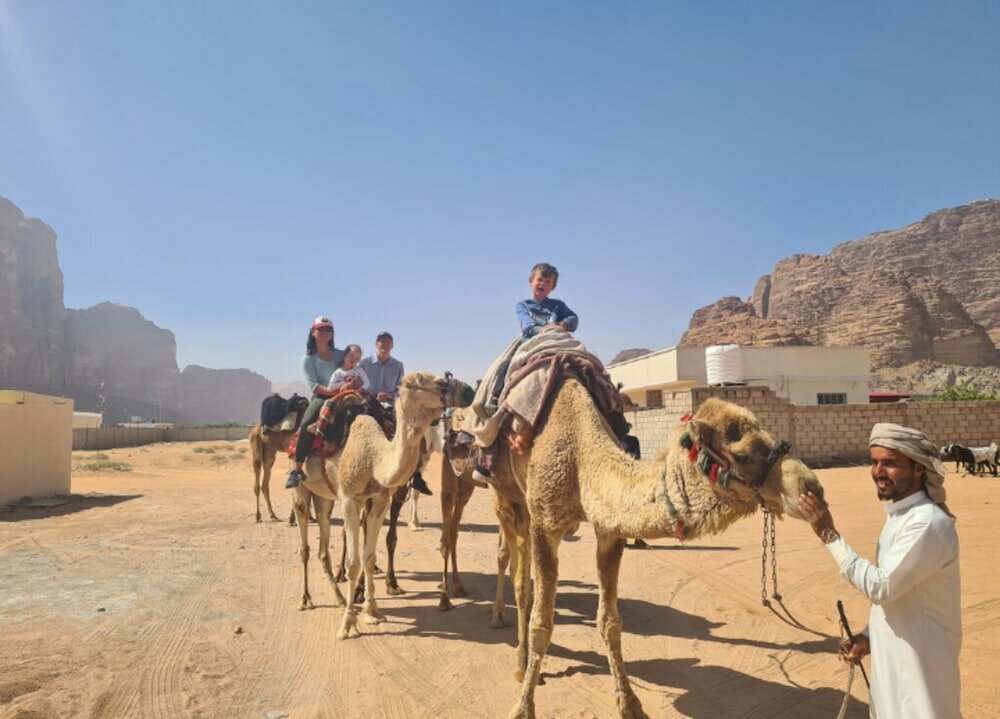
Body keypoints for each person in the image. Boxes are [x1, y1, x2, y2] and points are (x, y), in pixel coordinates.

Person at [797, 423, 961, 719]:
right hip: (894, 660)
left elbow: (881, 587)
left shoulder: (925, 523)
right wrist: (869, 637)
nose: (878, 471)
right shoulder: (901, 516)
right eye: (874, 462)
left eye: (890, 463)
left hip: (920, 667)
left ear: (919, 468)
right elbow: (900, 594)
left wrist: (829, 535)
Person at [475, 262, 579, 481]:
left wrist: (563, 325)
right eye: (540, 279)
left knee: (586, 368)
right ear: (531, 281)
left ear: (552, 287)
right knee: (501, 370)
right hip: (528, 345)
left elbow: (574, 319)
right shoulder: (523, 305)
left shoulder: (558, 305)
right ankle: (493, 413)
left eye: (548, 282)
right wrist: (543, 329)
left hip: (555, 343)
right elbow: (526, 326)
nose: (542, 284)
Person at [359, 331, 433, 496]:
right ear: (376, 344)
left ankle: (416, 474)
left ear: (392, 345)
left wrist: (389, 395)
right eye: (381, 342)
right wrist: (370, 395)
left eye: (387, 342)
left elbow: (401, 389)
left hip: (391, 405)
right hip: (368, 403)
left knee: (414, 432)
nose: (384, 345)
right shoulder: (365, 363)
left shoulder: (398, 366)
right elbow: (359, 384)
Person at [285, 316, 346, 488]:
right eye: (321, 329)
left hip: (345, 394)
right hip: (323, 396)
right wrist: (334, 392)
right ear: (313, 333)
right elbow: (314, 385)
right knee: (306, 423)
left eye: (328, 330)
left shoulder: (341, 354)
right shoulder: (308, 359)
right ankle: (297, 470)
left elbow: (354, 364)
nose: (324, 333)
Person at [305, 344, 368, 437]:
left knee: (372, 405)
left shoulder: (359, 370)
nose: (353, 360)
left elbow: (367, 382)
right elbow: (330, 387)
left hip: (358, 395)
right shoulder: (338, 372)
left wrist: (361, 389)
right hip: (342, 395)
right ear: (345, 356)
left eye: (357, 359)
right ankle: (319, 424)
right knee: (329, 403)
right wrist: (343, 384)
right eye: (351, 356)